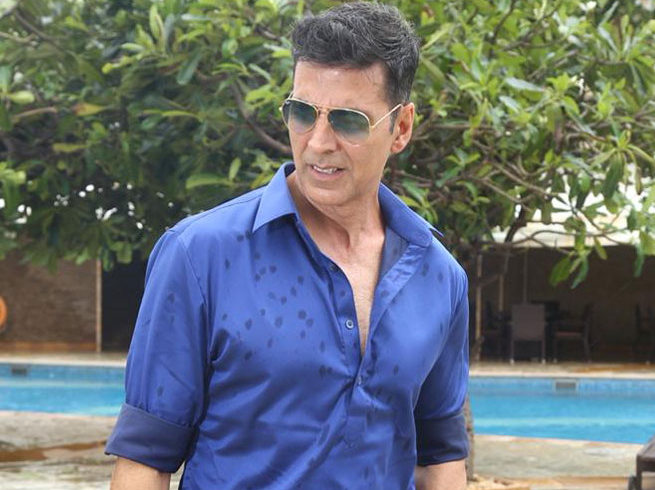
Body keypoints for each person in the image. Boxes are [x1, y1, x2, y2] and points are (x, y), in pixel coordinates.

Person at [106, 3, 469, 489]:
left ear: (400, 128)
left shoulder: (440, 276)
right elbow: (145, 458)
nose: (318, 143)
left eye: (348, 121)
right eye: (302, 113)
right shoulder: (199, 255)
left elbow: (440, 457)